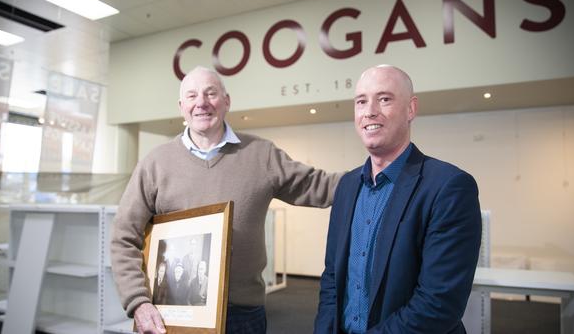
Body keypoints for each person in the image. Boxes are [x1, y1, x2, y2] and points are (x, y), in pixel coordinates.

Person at [111, 66, 341, 334]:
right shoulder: (155, 163)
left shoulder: (261, 154)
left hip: (243, 315)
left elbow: (318, 185)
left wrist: (374, 173)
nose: (201, 103)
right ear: (181, 105)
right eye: (192, 96)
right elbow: (123, 237)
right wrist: (138, 302)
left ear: (227, 101)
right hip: (173, 313)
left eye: (211, 93)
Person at [313, 65, 481, 333]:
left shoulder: (449, 187)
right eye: (361, 101)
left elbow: (439, 303)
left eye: (384, 99)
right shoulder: (346, 186)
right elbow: (332, 279)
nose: (370, 111)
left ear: (411, 109)